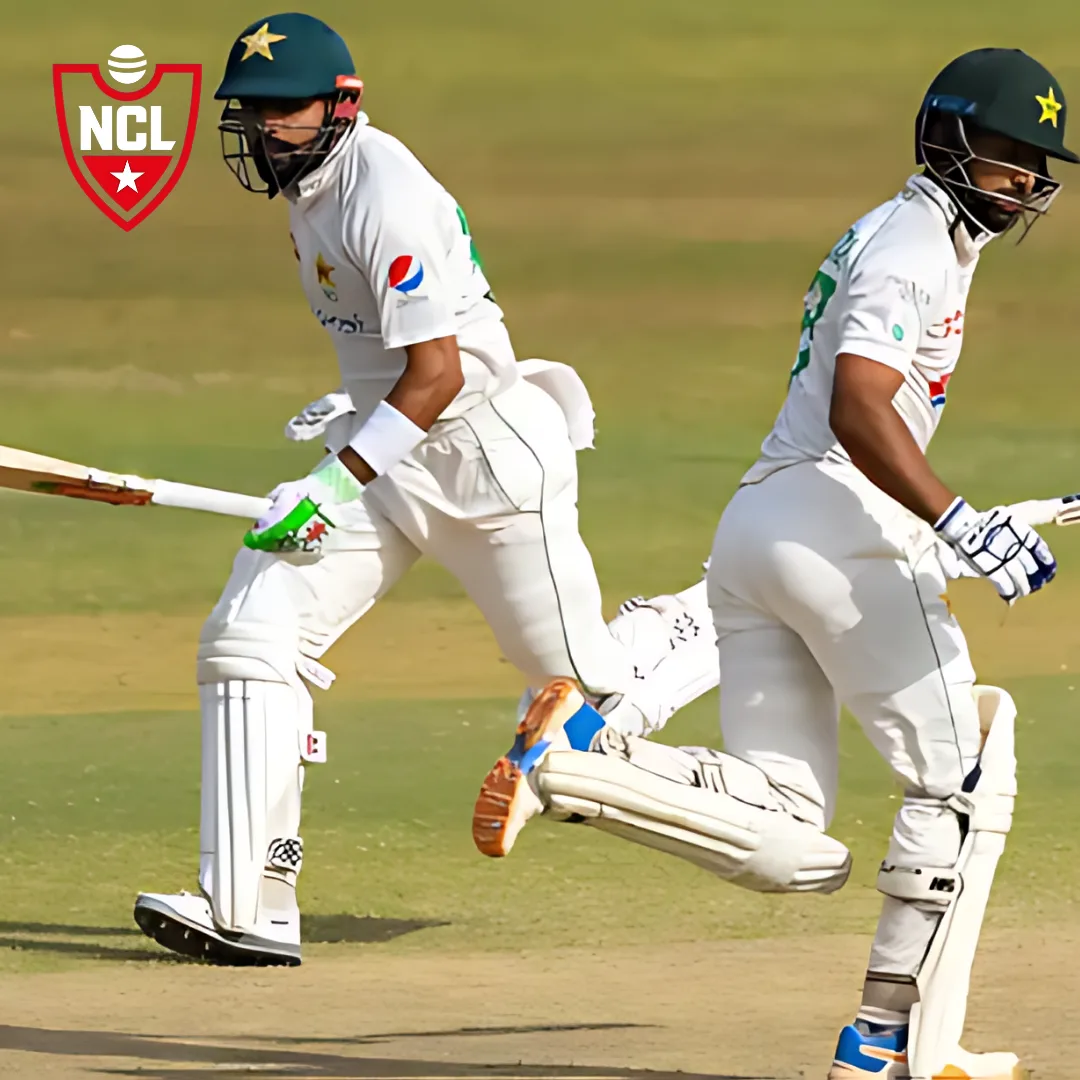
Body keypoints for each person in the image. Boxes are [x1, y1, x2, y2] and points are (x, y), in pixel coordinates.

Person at [483, 48, 1074, 1079]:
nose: (1025, 182)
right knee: (967, 774)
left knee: (791, 831)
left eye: (1037, 165)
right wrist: (960, 519)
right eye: (1010, 157)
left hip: (764, 526)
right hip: (828, 520)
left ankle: (579, 762)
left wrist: (937, 523)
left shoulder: (908, 234)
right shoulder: (914, 245)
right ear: (951, 141)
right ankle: (891, 1050)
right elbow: (859, 404)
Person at [132, 12, 718, 966]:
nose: (264, 128)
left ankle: (714, 620)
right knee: (253, 630)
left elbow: (441, 373)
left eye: (284, 110)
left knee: (580, 716)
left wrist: (331, 478)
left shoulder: (383, 193)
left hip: (487, 465)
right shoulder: (308, 185)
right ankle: (247, 900)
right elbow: (396, 351)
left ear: (342, 106)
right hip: (396, 455)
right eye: (252, 112)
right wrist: (356, 410)